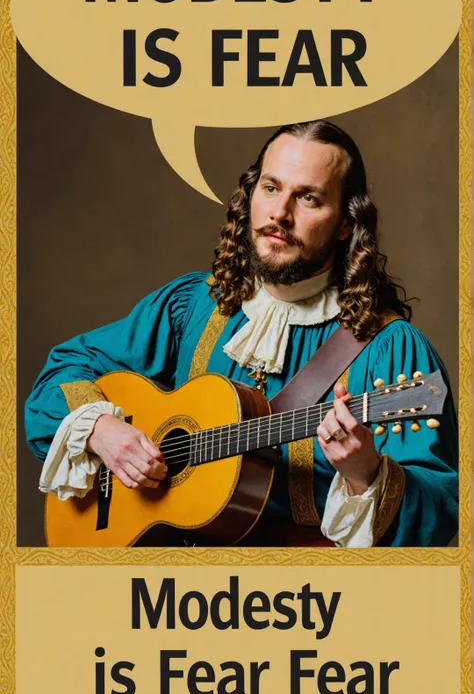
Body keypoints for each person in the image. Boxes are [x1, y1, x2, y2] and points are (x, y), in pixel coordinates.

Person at [24, 120, 458, 547]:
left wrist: (367, 474)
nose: (279, 214)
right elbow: (63, 371)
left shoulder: (391, 350)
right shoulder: (191, 306)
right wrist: (101, 429)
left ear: (346, 223)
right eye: (270, 188)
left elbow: (441, 511)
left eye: (307, 198)